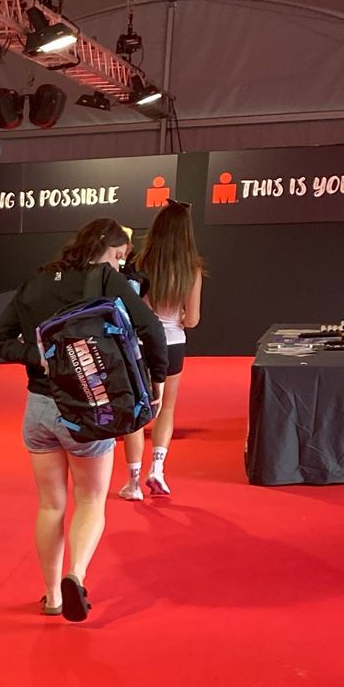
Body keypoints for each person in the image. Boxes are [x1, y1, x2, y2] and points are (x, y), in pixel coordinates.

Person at [0, 217, 167, 622]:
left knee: (50, 505)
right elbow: (152, 329)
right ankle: (76, 575)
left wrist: (39, 358)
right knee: (90, 499)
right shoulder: (104, 279)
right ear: (109, 251)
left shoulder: (35, 282)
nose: (120, 265)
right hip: (90, 408)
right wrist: (155, 381)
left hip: (39, 408)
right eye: (119, 257)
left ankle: (52, 596)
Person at [118, 202, 206, 500]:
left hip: (141, 344)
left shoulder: (140, 263)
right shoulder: (192, 269)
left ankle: (133, 482)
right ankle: (157, 468)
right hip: (173, 343)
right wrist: (177, 315)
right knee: (166, 409)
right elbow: (192, 320)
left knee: (137, 410)